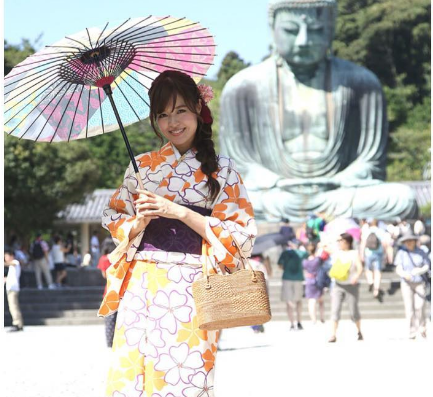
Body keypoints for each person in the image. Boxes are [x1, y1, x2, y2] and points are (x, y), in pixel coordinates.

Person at [98, 70, 256, 396]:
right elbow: (113, 217)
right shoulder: (141, 166)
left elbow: (240, 235)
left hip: (194, 284)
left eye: (181, 110)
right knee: (135, 374)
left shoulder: (223, 169)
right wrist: (138, 223)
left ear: (198, 107)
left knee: (187, 374)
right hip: (142, 283)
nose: (173, 122)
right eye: (163, 115)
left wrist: (178, 212)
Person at [328, 233, 363, 343]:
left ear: (347, 242)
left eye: (341, 240)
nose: (339, 242)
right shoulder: (337, 253)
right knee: (335, 309)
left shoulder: (354, 253)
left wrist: (356, 277)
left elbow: (360, 267)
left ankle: (359, 331)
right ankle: (333, 334)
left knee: (353, 310)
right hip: (338, 285)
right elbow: (326, 248)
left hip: (351, 285)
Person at [394, 233, 430, 339]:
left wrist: (418, 271)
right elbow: (398, 268)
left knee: (420, 305)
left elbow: (427, 265)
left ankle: (422, 326)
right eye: (407, 241)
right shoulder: (401, 253)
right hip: (406, 283)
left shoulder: (421, 252)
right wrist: (404, 274)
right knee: (409, 308)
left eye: (411, 240)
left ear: (415, 241)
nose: (409, 243)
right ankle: (412, 331)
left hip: (419, 282)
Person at [278, 241, 307, 330]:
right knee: (298, 301)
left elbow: (280, 266)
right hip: (298, 278)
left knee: (289, 301)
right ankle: (299, 322)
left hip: (287, 277)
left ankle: (292, 323)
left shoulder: (285, 253)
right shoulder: (302, 253)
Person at [360, 219, 386, 301]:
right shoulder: (380, 231)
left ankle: (370, 281)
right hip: (378, 253)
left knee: (368, 269)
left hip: (368, 253)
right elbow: (384, 243)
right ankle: (376, 289)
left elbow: (363, 243)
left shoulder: (366, 231)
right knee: (377, 271)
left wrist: (361, 255)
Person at [97, 247, 117, 347]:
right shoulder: (122, 255)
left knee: (110, 318)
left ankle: (110, 342)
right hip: (125, 289)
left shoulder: (104, 259)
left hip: (110, 290)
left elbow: (104, 275)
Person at [302, 242, 325, 324]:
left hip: (309, 280)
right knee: (321, 300)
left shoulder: (305, 261)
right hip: (318, 280)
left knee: (311, 301)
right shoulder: (317, 260)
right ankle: (322, 317)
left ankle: (313, 319)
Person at [250, 254, 272, 333]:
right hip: (261, 284)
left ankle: (255, 326)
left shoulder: (247, 260)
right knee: (261, 306)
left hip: (251, 285)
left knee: (252, 306)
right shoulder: (263, 260)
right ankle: (259, 324)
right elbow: (269, 274)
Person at [4, 248, 24, 332]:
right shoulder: (11, 266)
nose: (5, 258)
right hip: (11, 288)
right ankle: (19, 323)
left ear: (11, 256)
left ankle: (17, 323)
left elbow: (11, 264)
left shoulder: (15, 262)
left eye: (6, 256)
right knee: (13, 306)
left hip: (13, 288)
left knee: (13, 307)